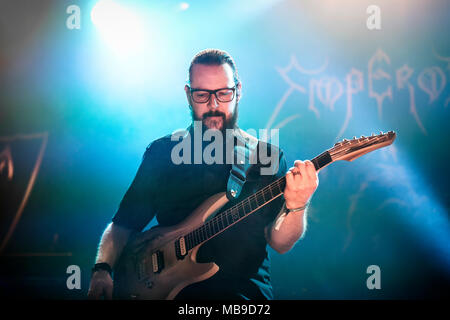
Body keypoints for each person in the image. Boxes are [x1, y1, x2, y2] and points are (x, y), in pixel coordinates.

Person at [87, 49, 319, 300]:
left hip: (245, 297)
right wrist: (102, 270)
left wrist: (298, 205)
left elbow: (280, 243)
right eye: (202, 95)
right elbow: (123, 225)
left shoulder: (267, 157)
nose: (214, 105)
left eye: (223, 93)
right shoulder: (163, 152)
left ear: (238, 91)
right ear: (188, 95)